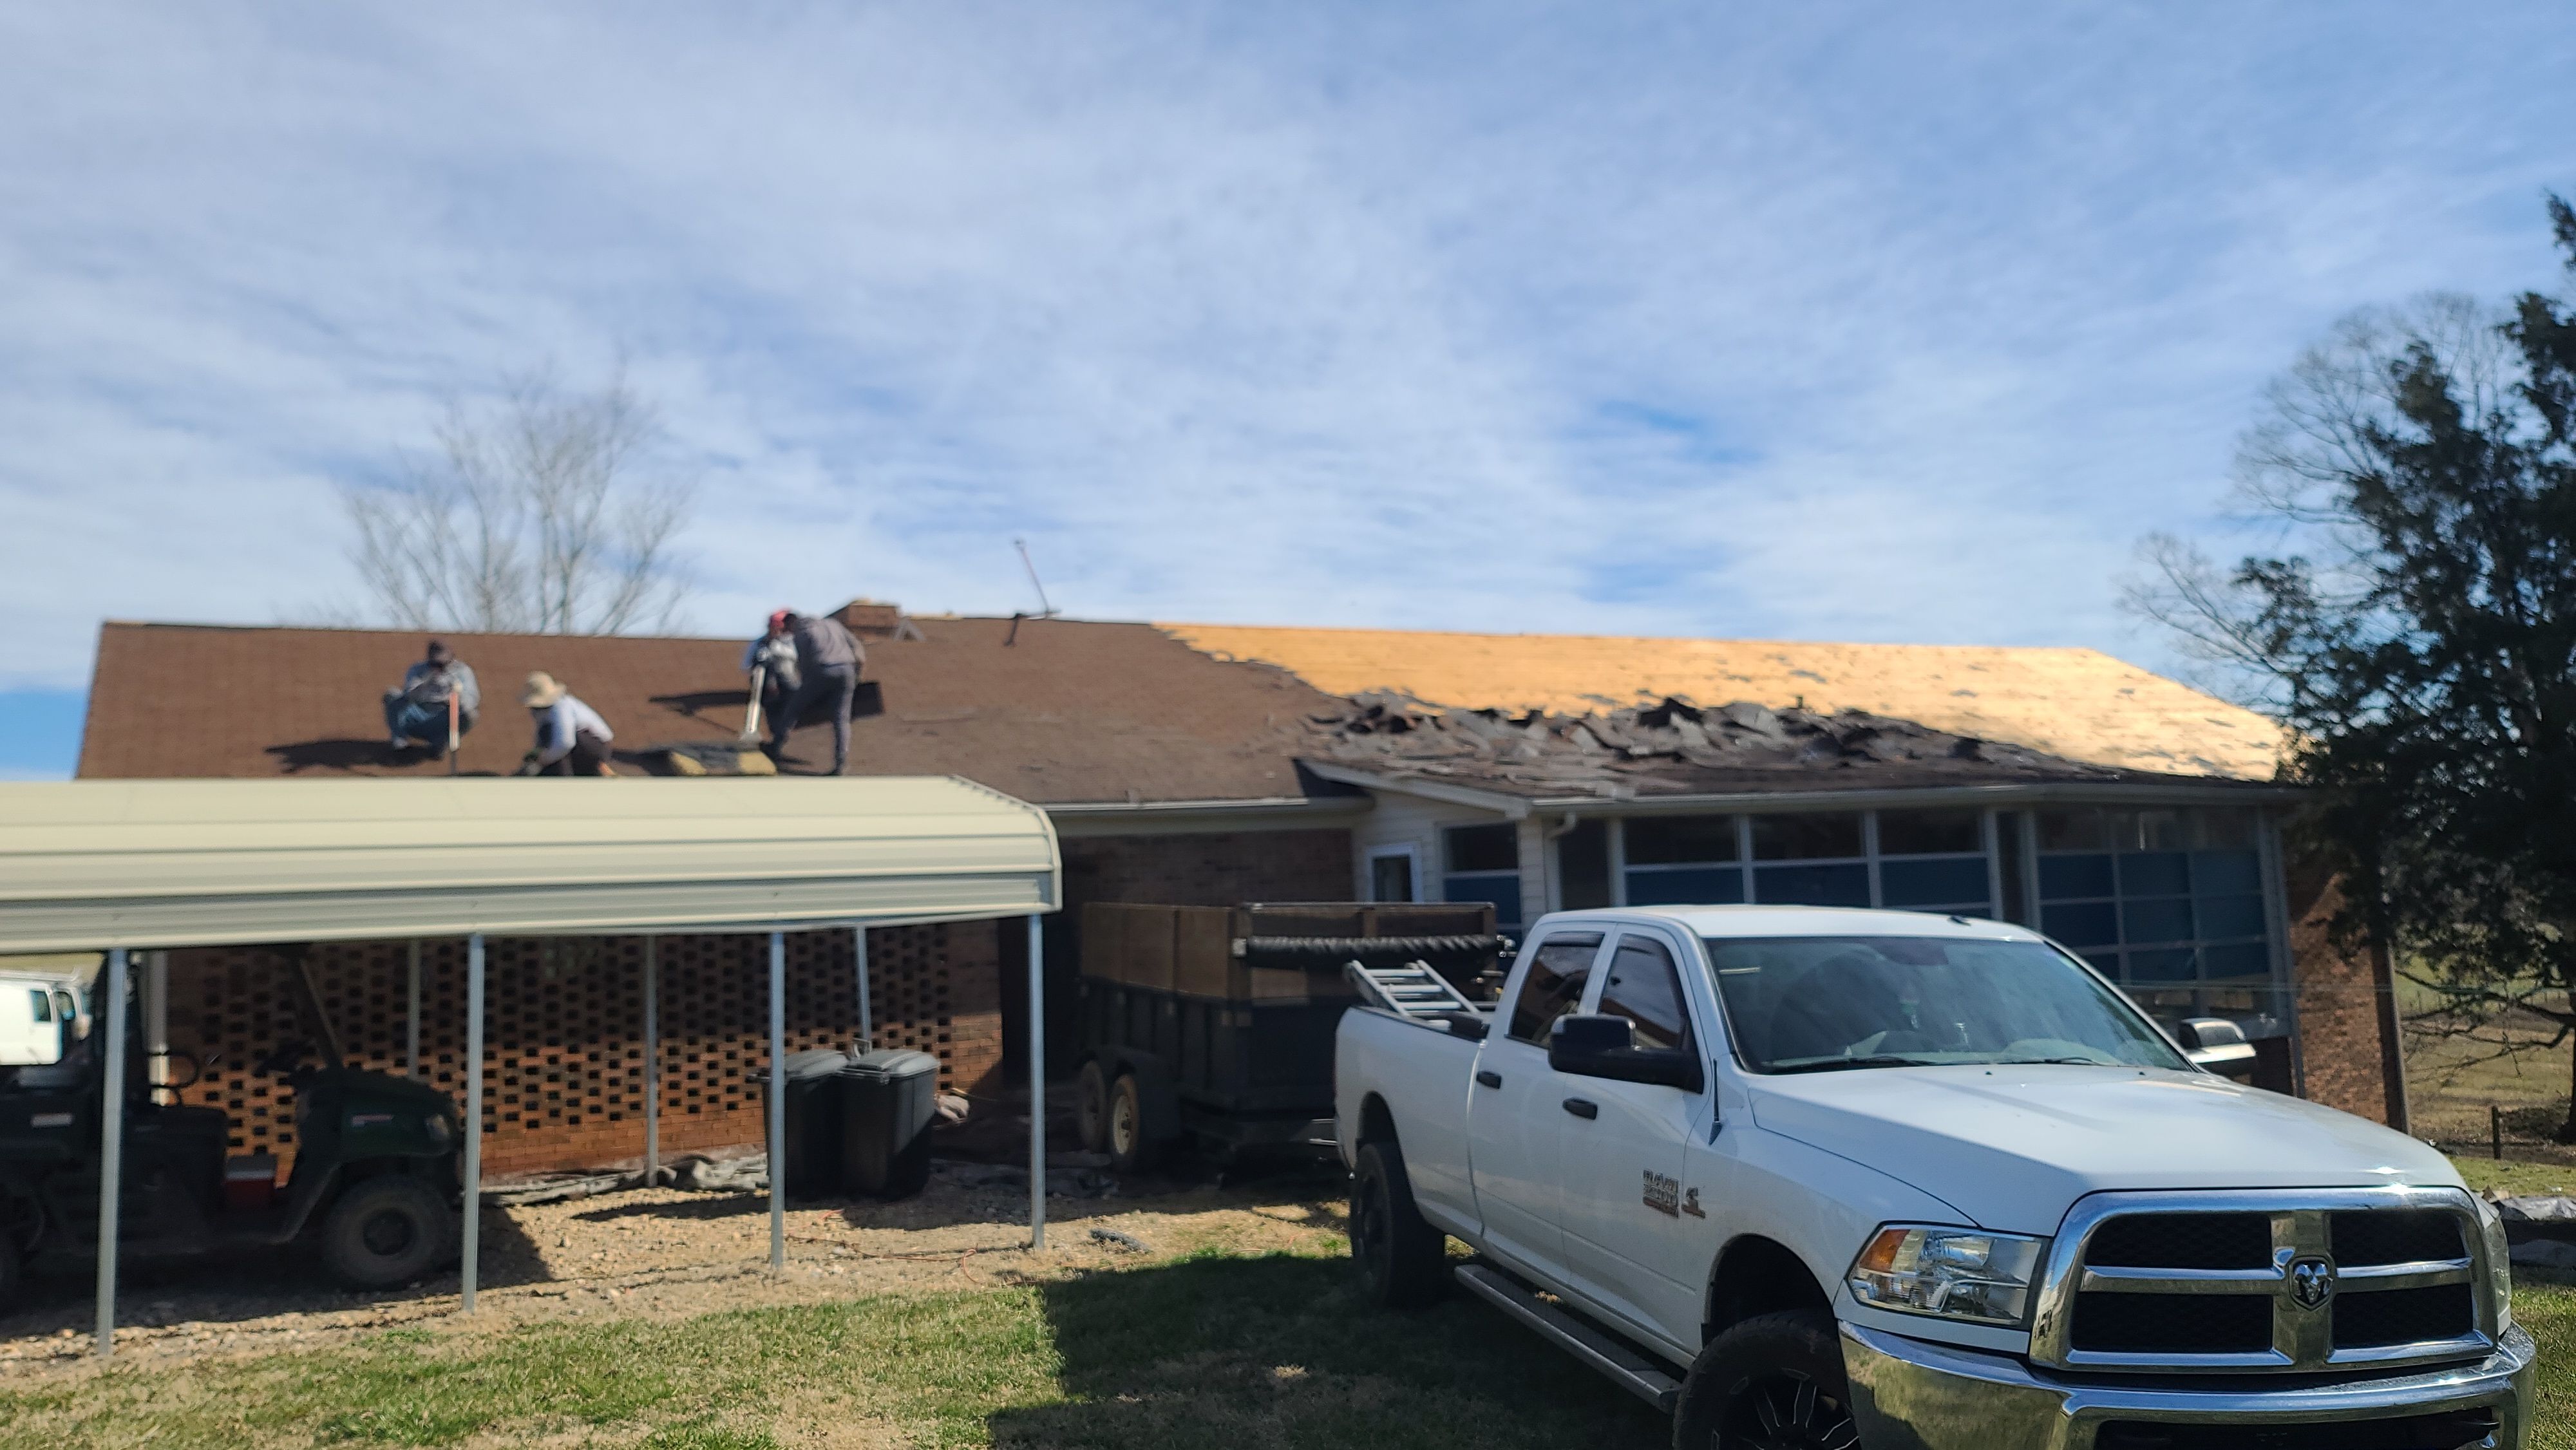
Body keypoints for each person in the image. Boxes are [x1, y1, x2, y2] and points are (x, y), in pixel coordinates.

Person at [766, 610, 862, 775]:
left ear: (791, 624)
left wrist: (806, 688)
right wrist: (857, 675)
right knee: (842, 719)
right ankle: (841, 762)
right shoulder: (834, 624)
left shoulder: (802, 632)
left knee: (793, 708)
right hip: (848, 670)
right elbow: (858, 649)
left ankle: (775, 747)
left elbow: (805, 664)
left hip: (821, 671)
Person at [383, 640, 479, 757]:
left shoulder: (462, 672)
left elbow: (472, 698)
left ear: (451, 657)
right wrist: (426, 683)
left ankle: (441, 742)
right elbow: (409, 695)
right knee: (391, 695)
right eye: (434, 662)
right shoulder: (418, 669)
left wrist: (456, 698)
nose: (438, 666)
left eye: (441, 664)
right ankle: (400, 741)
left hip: (444, 717)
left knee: (471, 715)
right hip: (418, 715)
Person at [517, 672, 616, 777]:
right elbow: (541, 737)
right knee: (550, 741)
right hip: (583, 749)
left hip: (596, 747)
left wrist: (542, 761)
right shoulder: (543, 712)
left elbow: (565, 743)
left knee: (555, 744)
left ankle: (564, 780)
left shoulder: (561, 708)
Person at [741, 609, 801, 732]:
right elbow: (746, 665)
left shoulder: (790, 642)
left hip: (788, 684)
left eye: (779, 627)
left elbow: (796, 657)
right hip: (765, 685)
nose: (776, 630)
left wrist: (777, 650)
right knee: (772, 711)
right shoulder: (758, 644)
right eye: (773, 627)